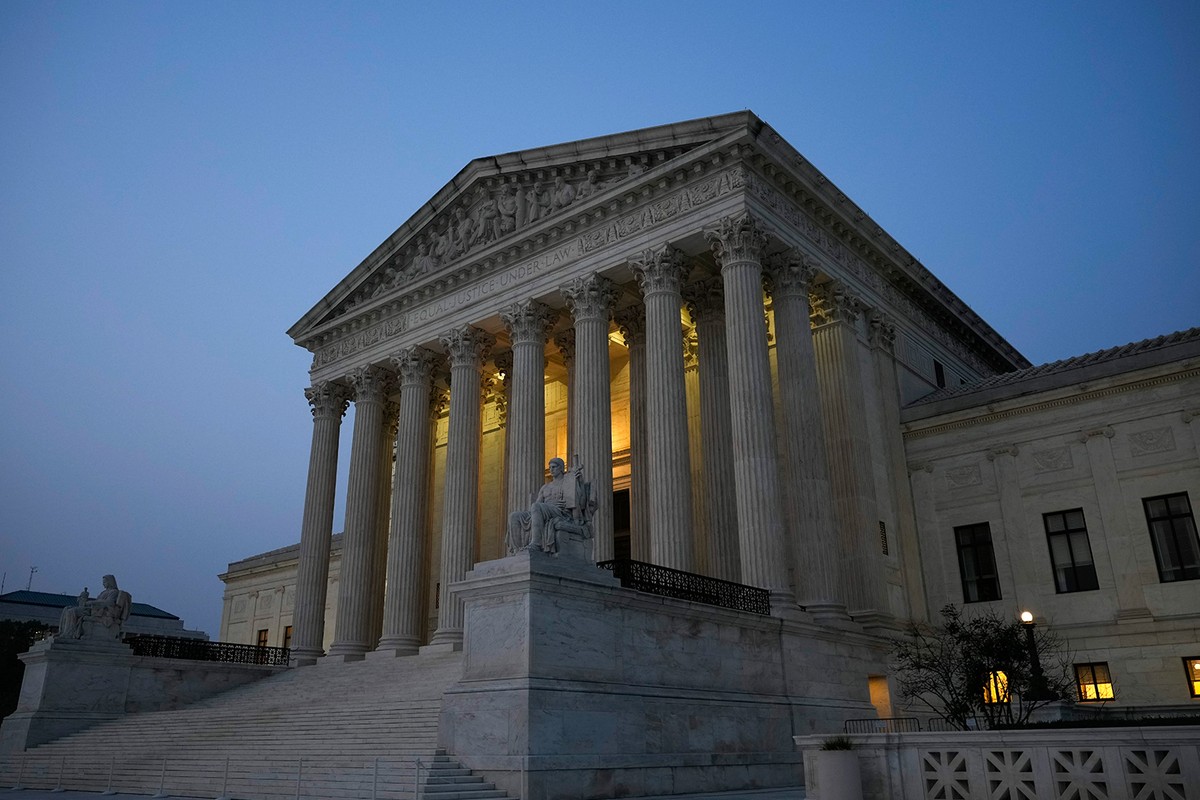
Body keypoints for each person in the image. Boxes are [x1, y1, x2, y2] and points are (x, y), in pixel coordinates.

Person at [506, 458, 579, 554]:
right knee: (514, 516)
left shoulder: (567, 482)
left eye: (554, 467)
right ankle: (518, 550)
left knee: (537, 507)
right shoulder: (545, 487)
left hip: (560, 512)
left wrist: (578, 481)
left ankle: (536, 543)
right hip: (544, 510)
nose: (551, 470)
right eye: (550, 467)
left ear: (561, 468)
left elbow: (578, 498)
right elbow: (537, 504)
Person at [58, 574, 132, 640]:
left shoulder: (114, 592)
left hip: (100, 612)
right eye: (103, 582)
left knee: (72, 611)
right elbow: (98, 602)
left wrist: (92, 602)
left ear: (110, 582)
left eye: (105, 582)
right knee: (67, 608)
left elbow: (109, 602)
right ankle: (62, 631)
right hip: (94, 609)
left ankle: (69, 633)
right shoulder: (103, 592)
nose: (103, 584)